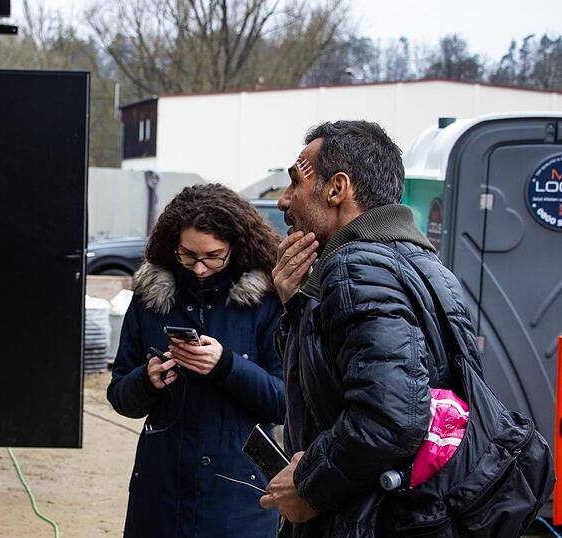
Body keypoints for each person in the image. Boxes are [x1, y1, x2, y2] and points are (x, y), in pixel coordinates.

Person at [260, 120, 474, 536]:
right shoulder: (427, 266)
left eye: (295, 183)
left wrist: (309, 487)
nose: (284, 202)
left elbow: (391, 416)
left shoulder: (353, 266)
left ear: (337, 188)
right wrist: (297, 306)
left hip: (368, 520)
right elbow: (338, 385)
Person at [107, 183, 286, 537]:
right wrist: (148, 379)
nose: (200, 268)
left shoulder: (266, 301)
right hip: (160, 488)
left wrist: (227, 366)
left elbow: (285, 402)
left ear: (237, 246)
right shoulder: (150, 297)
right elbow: (119, 396)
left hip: (238, 493)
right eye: (188, 255)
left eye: (213, 257)